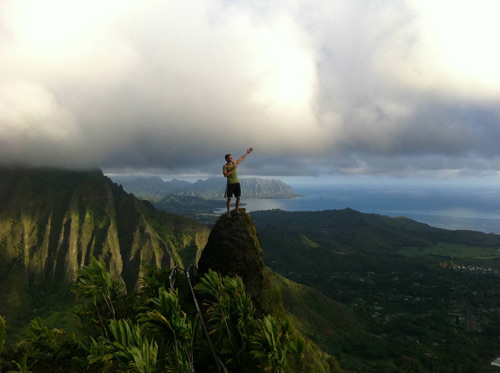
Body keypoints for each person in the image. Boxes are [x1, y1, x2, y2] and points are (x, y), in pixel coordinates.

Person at [223, 147, 253, 216]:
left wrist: (247, 153)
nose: (232, 158)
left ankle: (236, 210)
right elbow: (225, 175)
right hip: (230, 183)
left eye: (232, 157)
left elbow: (242, 158)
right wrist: (233, 169)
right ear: (227, 159)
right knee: (229, 198)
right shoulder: (225, 166)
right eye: (230, 158)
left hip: (237, 183)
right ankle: (228, 212)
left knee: (238, 197)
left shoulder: (234, 163)